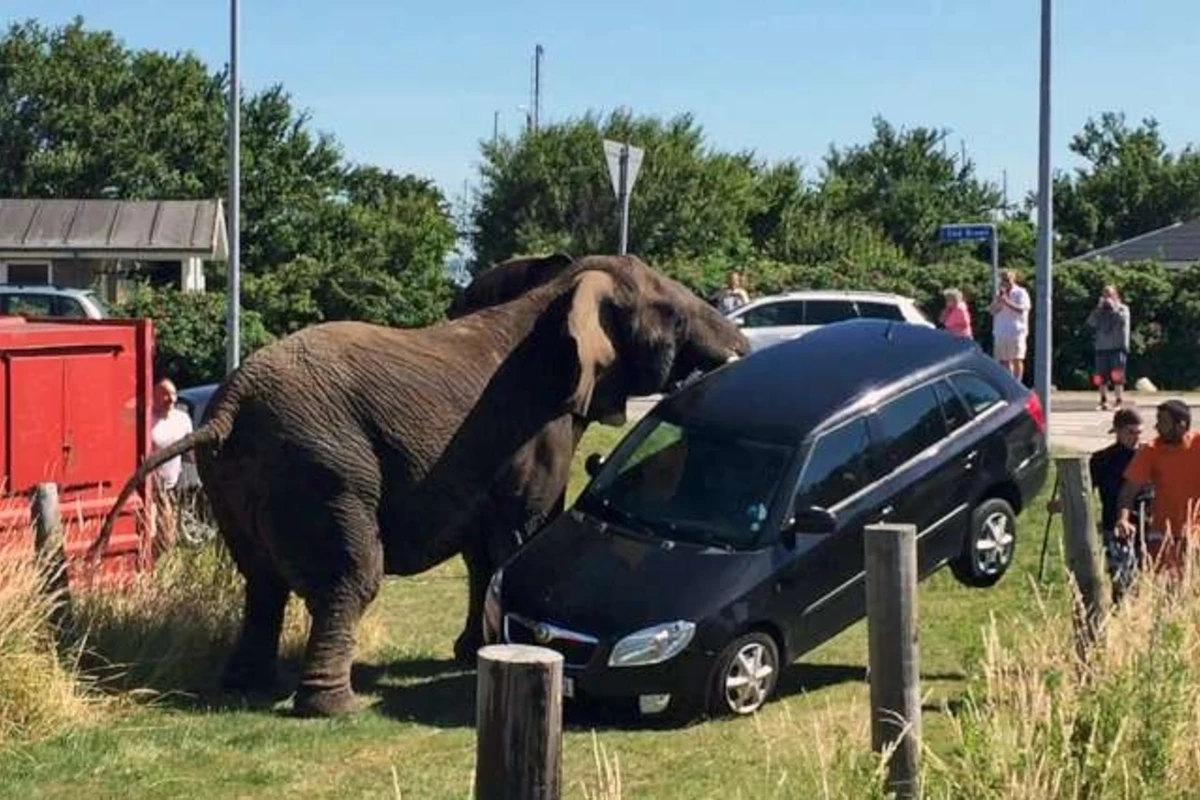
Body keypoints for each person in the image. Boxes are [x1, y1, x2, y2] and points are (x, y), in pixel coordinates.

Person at [1115, 399, 1200, 579]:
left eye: (1163, 422)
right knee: (1167, 588)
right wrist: (1123, 519)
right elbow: (1128, 491)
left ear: (1181, 425)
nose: (1157, 427)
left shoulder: (1197, 444)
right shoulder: (1151, 450)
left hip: (1195, 531)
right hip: (1163, 533)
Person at [1089, 408, 1148, 603]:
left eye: (1139, 433)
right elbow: (1086, 489)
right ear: (1118, 431)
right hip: (1115, 527)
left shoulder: (1148, 456)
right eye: (1131, 432)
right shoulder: (1102, 460)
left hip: (1148, 525)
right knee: (1123, 583)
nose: (1136, 438)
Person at [150, 377, 194, 555]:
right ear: (154, 396)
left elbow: (190, 452)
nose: (172, 399)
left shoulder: (182, 419)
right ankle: (147, 570)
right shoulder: (148, 421)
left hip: (172, 486)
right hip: (150, 489)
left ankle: (155, 568)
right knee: (154, 533)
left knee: (168, 538)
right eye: (165, 395)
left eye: (174, 394)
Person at [1086, 284, 1131, 410]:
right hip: (1101, 348)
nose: (1107, 298)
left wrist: (1114, 307)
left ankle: (1118, 401)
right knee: (1100, 377)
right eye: (1104, 294)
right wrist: (1098, 309)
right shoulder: (1100, 311)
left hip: (1117, 347)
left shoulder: (1123, 309)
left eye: (1109, 294)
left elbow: (1123, 322)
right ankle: (1103, 400)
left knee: (1118, 377)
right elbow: (1091, 323)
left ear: (1115, 295)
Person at [988, 269, 1032, 381]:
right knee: (1003, 360)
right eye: (1002, 280)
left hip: (1016, 331)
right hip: (1001, 331)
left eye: (1007, 280)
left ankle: (1018, 383)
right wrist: (998, 301)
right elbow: (992, 311)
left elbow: (1021, 309)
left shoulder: (1021, 292)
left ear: (1013, 280)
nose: (1004, 282)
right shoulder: (1000, 294)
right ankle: (1008, 382)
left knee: (1017, 358)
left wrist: (1006, 301)